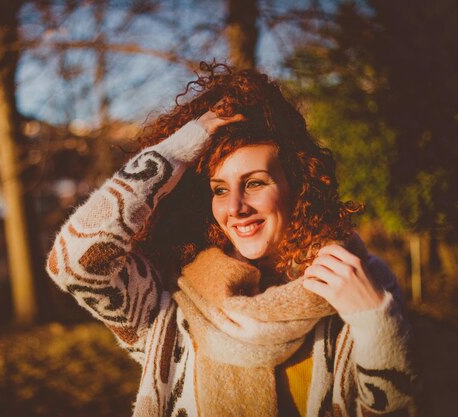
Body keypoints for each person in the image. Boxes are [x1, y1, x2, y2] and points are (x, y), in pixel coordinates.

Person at [46, 63, 418, 417]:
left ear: (297, 187)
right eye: (220, 189)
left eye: (255, 183)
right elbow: (75, 264)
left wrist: (376, 323)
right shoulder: (170, 303)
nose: (236, 207)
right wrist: (180, 148)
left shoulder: (359, 287)